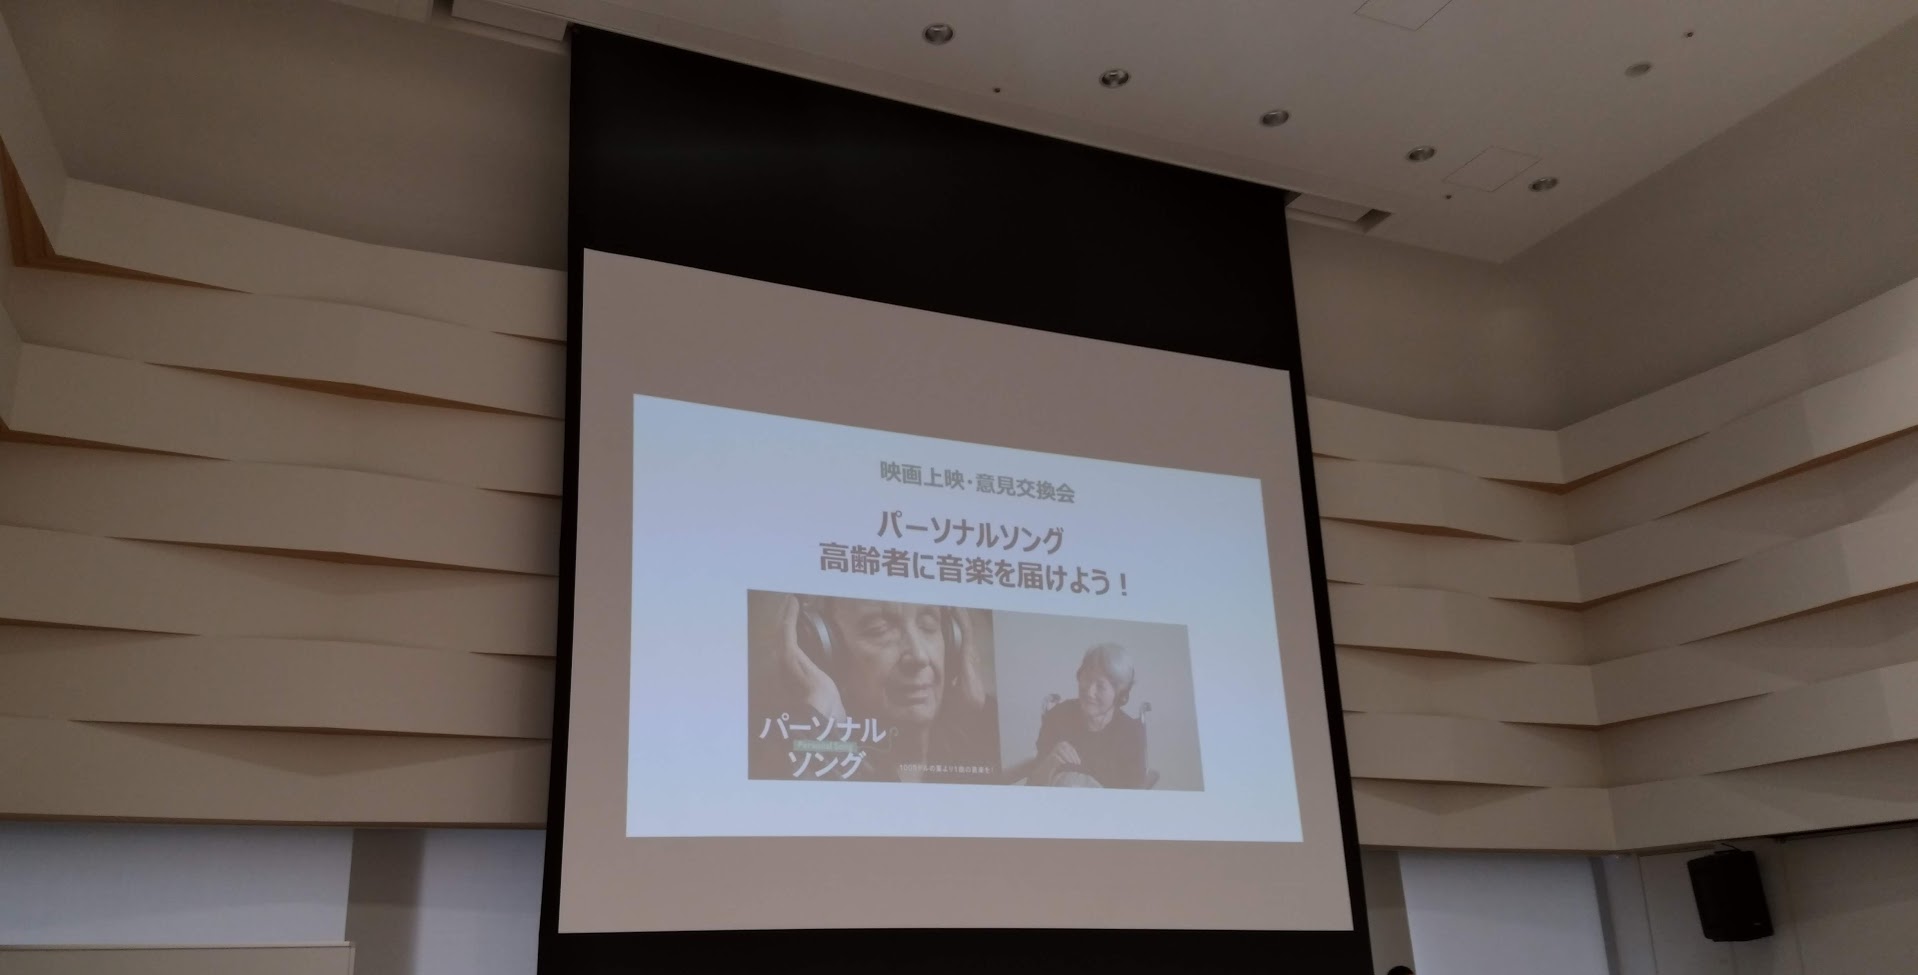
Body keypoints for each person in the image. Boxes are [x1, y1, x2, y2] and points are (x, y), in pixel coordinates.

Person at [758, 594, 998, 783]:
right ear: (825, 653)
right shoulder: (785, 760)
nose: (918, 656)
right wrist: (820, 729)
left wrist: (977, 723)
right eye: (878, 630)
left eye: (928, 626)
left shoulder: (982, 732)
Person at [1028, 643, 1148, 789]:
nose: (1089, 692)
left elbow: (1132, 796)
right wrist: (1051, 762)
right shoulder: (1057, 717)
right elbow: (1033, 785)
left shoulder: (1131, 733)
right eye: (1087, 679)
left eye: (1100, 686)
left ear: (1120, 695)